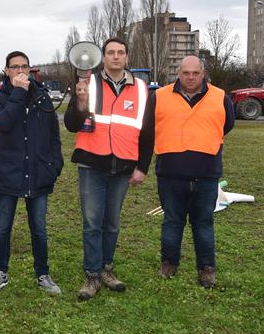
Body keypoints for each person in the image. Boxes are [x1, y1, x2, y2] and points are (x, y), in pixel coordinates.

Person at [64, 38, 154, 301]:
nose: (116, 57)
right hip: (92, 163)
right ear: (103, 57)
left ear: (127, 57)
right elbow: (71, 124)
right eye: (110, 53)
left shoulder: (140, 88)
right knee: (92, 223)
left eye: (121, 53)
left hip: (124, 165)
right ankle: (92, 275)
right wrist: (80, 102)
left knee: (111, 223)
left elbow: (147, 131)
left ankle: (106, 269)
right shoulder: (88, 83)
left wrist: (143, 167)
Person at [0, 51, 63, 295]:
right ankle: (0, 272)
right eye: (15, 67)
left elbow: (53, 135)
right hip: (8, 171)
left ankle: (42, 274)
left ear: (30, 69)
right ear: (6, 71)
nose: (20, 71)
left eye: (24, 66)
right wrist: (18, 92)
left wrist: (54, 165)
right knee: (3, 227)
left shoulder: (41, 97)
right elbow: (4, 123)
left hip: (38, 172)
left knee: (38, 228)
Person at [150, 55, 234, 288]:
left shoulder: (220, 97)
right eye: (185, 73)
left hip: (207, 173)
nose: (190, 77)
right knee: (172, 222)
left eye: (195, 73)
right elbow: (149, 127)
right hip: (170, 173)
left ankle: (206, 269)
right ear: (178, 73)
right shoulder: (159, 96)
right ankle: (169, 263)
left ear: (203, 73)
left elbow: (227, 124)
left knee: (203, 223)